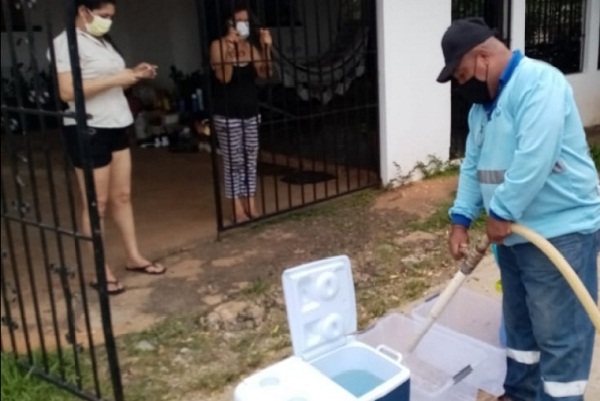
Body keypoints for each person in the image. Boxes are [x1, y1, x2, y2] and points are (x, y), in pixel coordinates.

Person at [437, 18, 600, 401]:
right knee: (521, 327)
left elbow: (535, 158)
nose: (463, 86)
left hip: (560, 234)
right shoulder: (482, 111)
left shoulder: (540, 83)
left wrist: (501, 211)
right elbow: (473, 167)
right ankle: (521, 394)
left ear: (482, 57)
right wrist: (460, 220)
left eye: (462, 75)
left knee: (560, 335)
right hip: (512, 236)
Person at [52, 0, 166, 295]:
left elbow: (107, 81)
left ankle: (133, 256)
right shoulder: (66, 43)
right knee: (96, 202)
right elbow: (67, 91)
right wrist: (118, 78)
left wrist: (134, 74)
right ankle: (99, 270)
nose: (108, 22)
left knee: (123, 196)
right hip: (87, 128)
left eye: (111, 17)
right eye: (103, 16)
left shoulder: (101, 41)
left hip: (116, 123)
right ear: (83, 11)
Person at [209, 2, 273, 223]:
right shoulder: (217, 46)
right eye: (241, 21)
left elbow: (265, 74)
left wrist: (266, 47)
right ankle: (236, 207)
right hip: (228, 114)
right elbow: (224, 77)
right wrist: (230, 51)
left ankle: (251, 205)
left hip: (250, 111)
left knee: (250, 158)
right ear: (229, 22)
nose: (245, 25)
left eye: (247, 21)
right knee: (233, 160)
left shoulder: (251, 46)